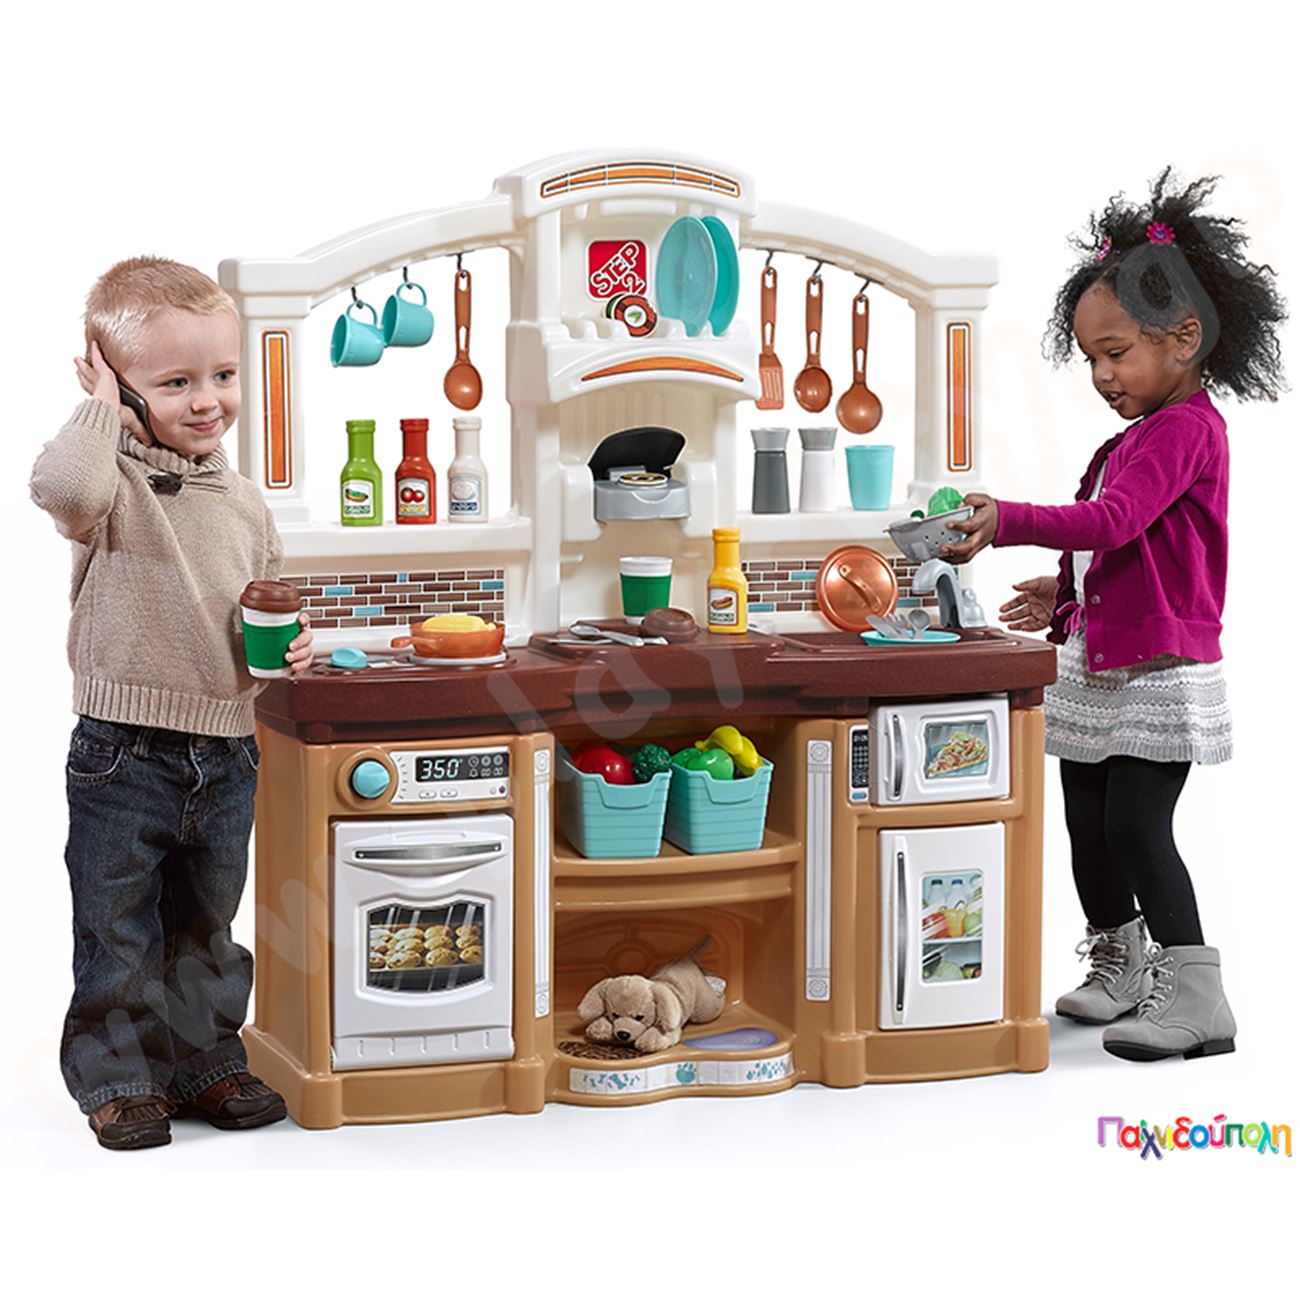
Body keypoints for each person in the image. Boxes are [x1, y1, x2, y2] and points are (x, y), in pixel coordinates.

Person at [944, 169, 1286, 1062]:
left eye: (1116, 353)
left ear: (1184, 338)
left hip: (1158, 669)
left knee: (1135, 825)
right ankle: (1122, 966)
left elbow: (1116, 521)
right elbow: (1118, 551)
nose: (1101, 375)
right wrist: (1062, 592)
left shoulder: (1186, 430)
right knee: (1086, 824)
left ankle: (1199, 996)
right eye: (1091, 358)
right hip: (1103, 658)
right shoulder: (1137, 435)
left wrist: (1008, 520)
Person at [30, 257, 314, 1148]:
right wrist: (99, 410)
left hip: (226, 749)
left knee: (207, 926)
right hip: (124, 752)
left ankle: (204, 1059)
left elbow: (265, 598)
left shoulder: (243, 500)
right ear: (118, 386)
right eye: (175, 382)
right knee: (117, 930)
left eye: (222, 375)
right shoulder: (107, 480)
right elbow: (60, 489)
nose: (207, 401)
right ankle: (120, 1078)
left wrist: (292, 646)